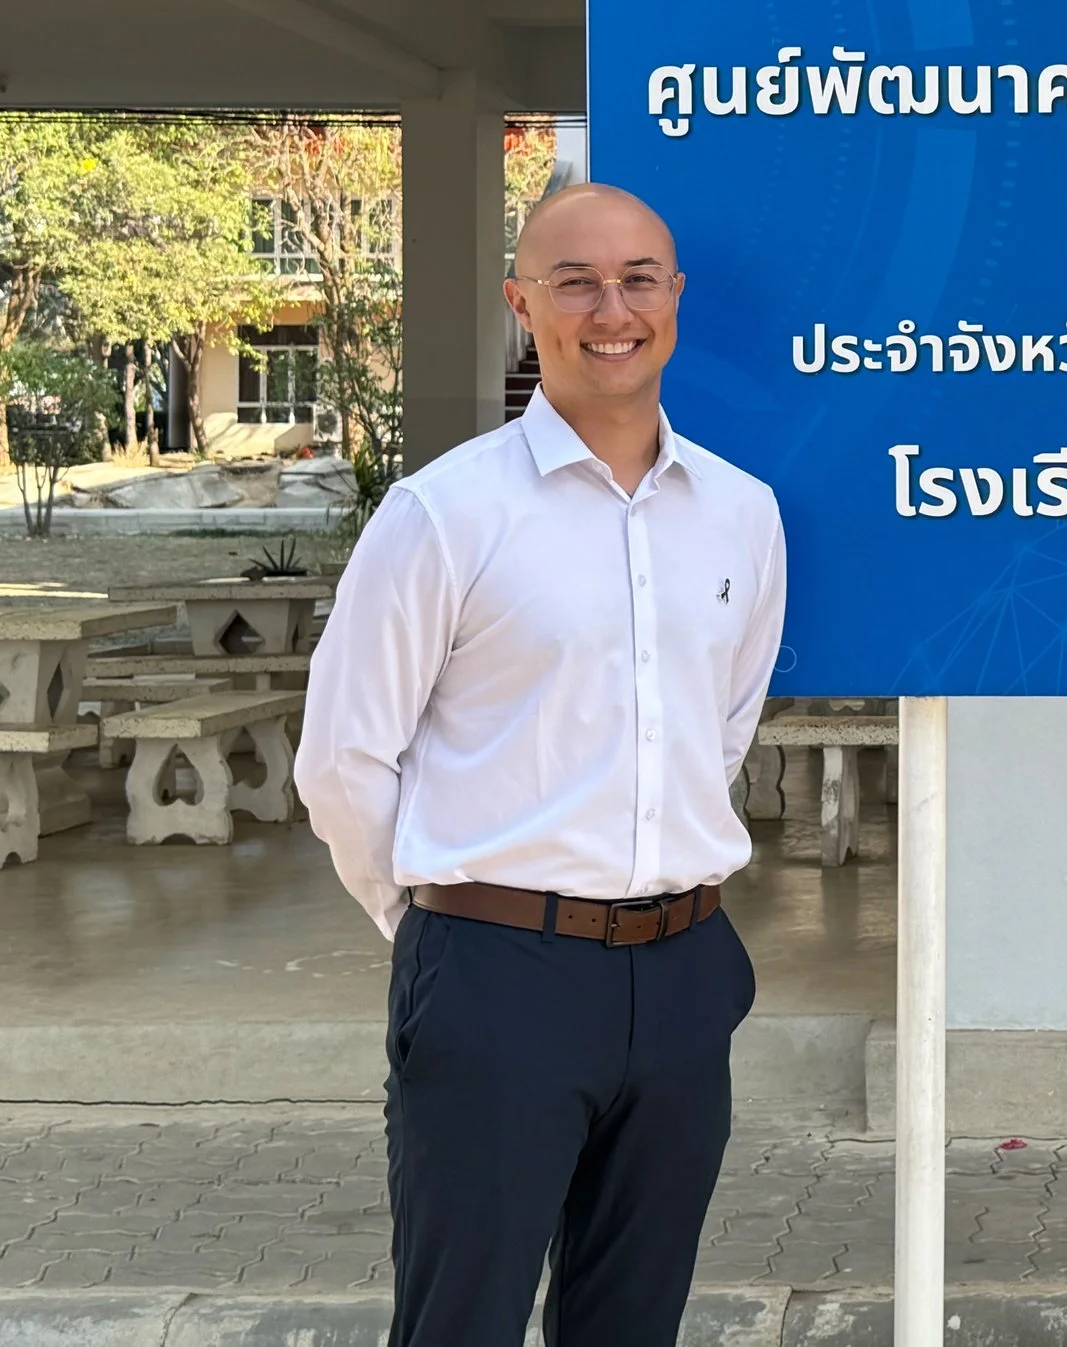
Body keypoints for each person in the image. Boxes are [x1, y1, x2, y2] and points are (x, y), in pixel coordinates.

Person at [296, 183, 787, 1347]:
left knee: (634, 1323)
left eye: (636, 279)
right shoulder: (443, 516)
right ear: (524, 305)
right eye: (574, 282)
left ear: (674, 299)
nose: (609, 308)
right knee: (461, 1322)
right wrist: (443, 927)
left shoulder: (741, 514)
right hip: (495, 977)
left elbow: (720, 729)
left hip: (681, 978)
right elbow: (344, 760)